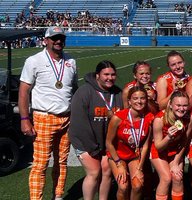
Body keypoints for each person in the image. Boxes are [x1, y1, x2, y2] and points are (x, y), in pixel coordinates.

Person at [19, 26, 77, 200]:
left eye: (61, 38)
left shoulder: (71, 61)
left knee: (62, 161)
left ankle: (58, 195)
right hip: (43, 117)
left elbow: (74, 89)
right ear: (46, 40)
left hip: (67, 118)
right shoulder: (34, 61)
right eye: (54, 38)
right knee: (41, 163)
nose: (58, 41)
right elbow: (23, 91)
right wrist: (24, 119)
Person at [70, 60, 124, 200]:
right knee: (94, 172)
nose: (109, 78)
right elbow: (79, 124)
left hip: (105, 143)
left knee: (107, 170)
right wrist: (92, 148)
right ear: (97, 75)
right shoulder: (84, 92)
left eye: (113, 75)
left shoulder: (118, 93)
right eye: (106, 74)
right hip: (84, 141)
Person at [105, 86, 155, 200]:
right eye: (135, 98)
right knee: (123, 186)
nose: (139, 101)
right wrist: (119, 164)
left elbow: (145, 145)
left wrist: (140, 168)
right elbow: (109, 143)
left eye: (142, 98)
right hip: (117, 156)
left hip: (134, 156)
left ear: (146, 100)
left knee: (138, 185)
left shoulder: (149, 118)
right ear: (129, 101)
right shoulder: (118, 118)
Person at [151, 91, 192, 200]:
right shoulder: (159, 119)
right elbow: (158, 147)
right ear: (170, 104)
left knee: (177, 177)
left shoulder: (189, 116)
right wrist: (169, 137)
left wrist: (175, 162)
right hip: (159, 151)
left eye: (185, 105)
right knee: (166, 178)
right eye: (178, 105)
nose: (181, 109)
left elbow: (185, 141)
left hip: (176, 149)